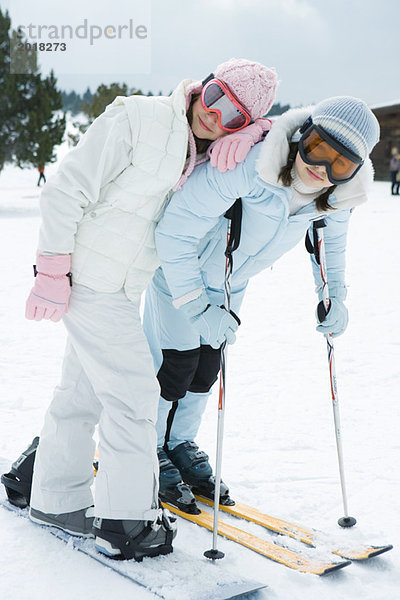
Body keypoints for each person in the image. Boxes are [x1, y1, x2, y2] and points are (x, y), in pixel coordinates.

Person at [5, 59, 278, 561]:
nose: (218, 117)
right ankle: (126, 523)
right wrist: (50, 268)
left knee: (79, 395)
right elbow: (68, 186)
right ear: (203, 85)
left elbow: (290, 136)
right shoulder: (140, 117)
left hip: (122, 286)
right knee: (133, 399)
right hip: (91, 280)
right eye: (216, 97)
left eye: (237, 117)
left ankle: (55, 498)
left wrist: (263, 129)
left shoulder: (204, 152)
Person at [143, 96, 380, 514]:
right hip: (182, 276)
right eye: (318, 149)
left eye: (339, 165)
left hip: (232, 283)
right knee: (173, 364)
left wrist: (333, 297)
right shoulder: (250, 167)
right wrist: (197, 307)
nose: (321, 169)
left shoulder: (334, 198)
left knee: (206, 366)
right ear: (303, 136)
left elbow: (330, 247)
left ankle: (179, 443)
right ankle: (147, 447)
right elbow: (175, 230)